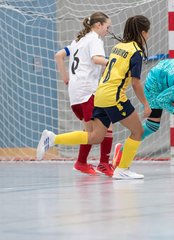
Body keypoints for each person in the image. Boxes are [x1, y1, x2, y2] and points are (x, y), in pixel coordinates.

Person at [37, 15, 152, 180]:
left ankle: (53, 139)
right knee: (138, 131)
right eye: (147, 33)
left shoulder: (119, 46)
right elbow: (135, 83)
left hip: (99, 94)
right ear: (143, 33)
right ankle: (122, 168)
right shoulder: (135, 51)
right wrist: (146, 104)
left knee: (95, 136)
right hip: (112, 96)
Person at [54, 12, 114, 176]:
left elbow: (59, 55)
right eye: (107, 27)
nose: (108, 31)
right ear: (98, 25)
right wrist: (116, 62)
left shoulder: (77, 41)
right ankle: (104, 164)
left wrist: (65, 77)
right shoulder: (94, 39)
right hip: (88, 91)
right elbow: (96, 59)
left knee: (89, 132)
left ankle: (81, 162)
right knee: (107, 125)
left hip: (75, 93)